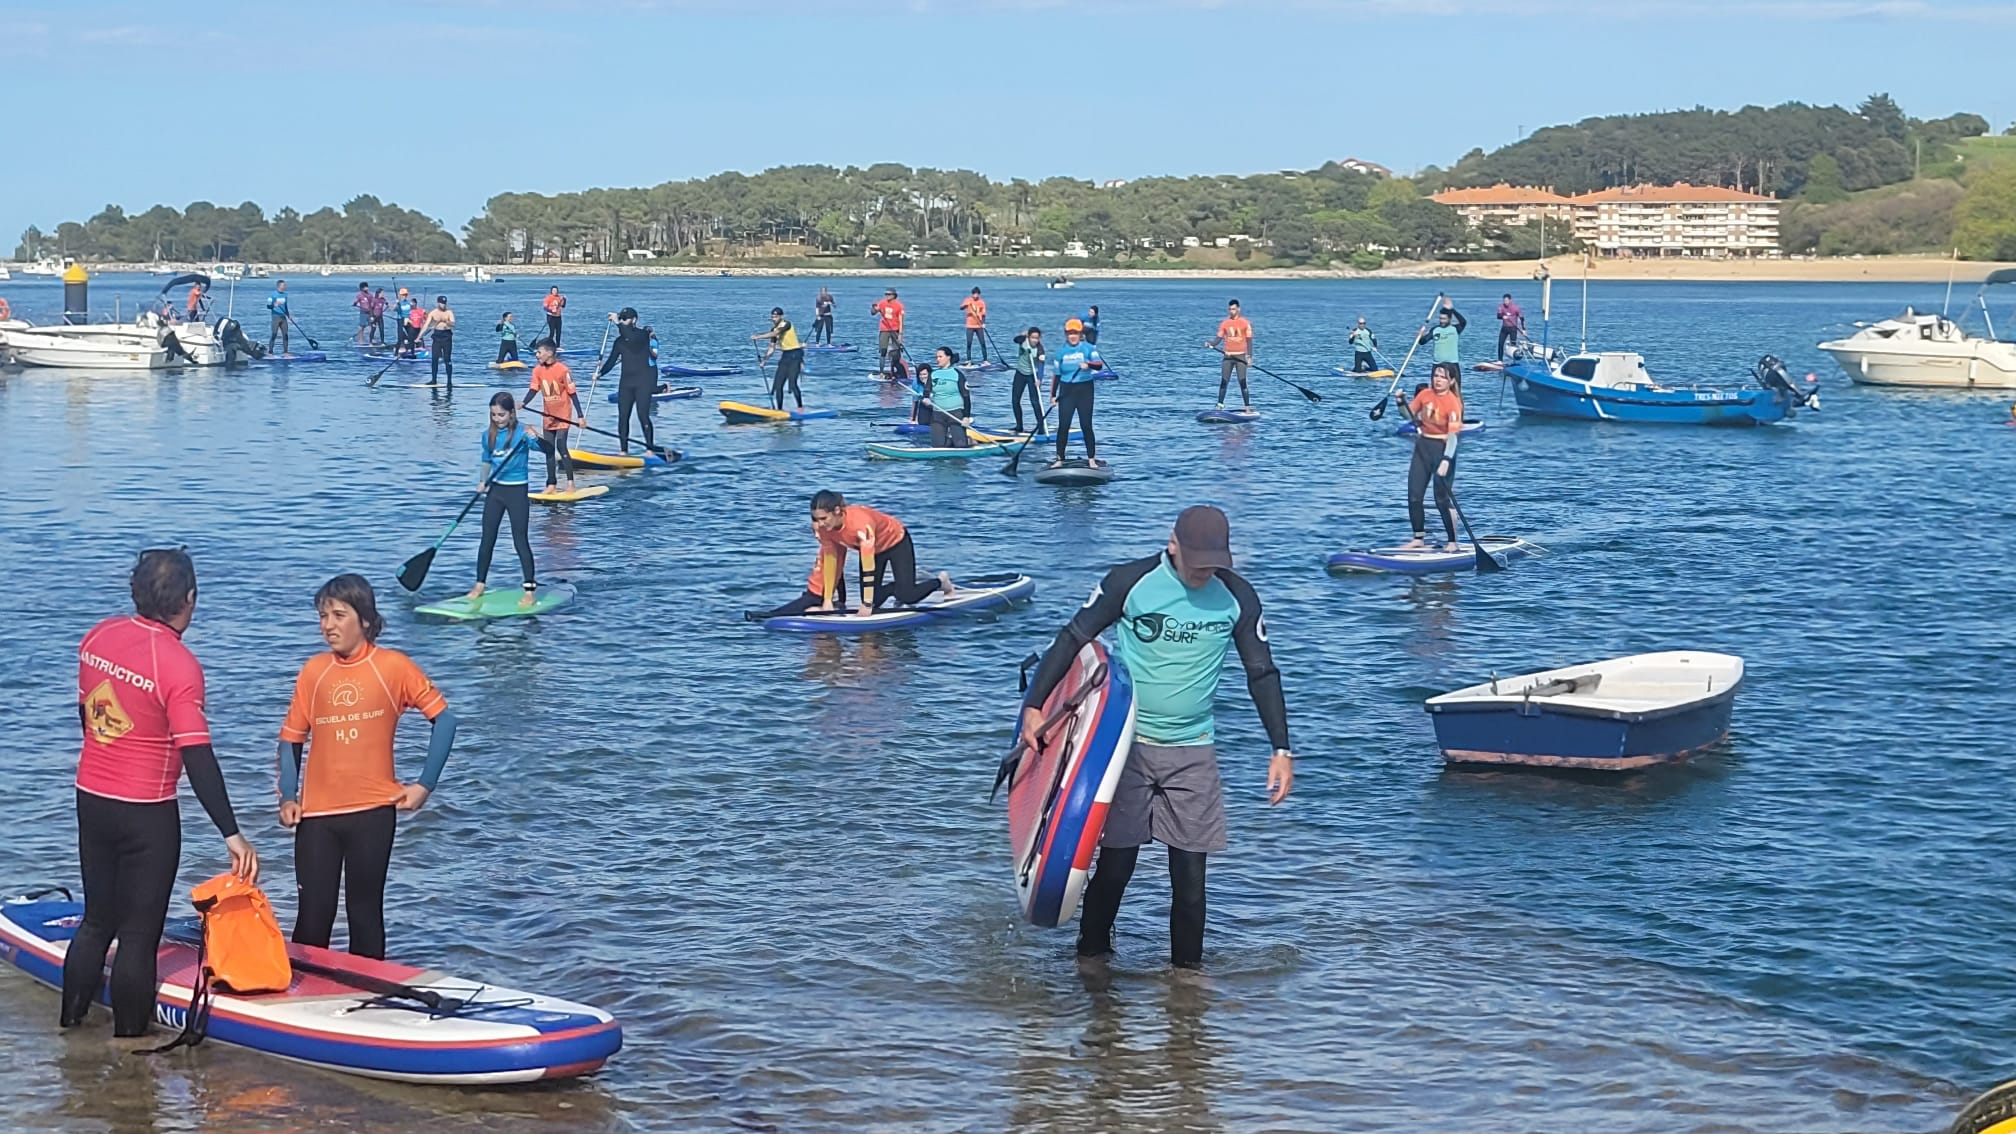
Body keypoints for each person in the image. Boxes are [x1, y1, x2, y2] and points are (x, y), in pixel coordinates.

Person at [1019, 505, 1293, 972]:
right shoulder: (1130, 582)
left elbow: (1262, 673)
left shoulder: (1238, 598)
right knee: (1115, 868)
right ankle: (1091, 963)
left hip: (1194, 750)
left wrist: (1281, 748)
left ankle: (1186, 985)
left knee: (1190, 882)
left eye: (1215, 563)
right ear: (1173, 545)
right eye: (1198, 561)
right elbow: (1072, 639)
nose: (1207, 571)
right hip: (1128, 747)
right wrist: (1034, 706)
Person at [64, 548, 259, 1036]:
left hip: (91, 796)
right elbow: (196, 756)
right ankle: (129, 1050)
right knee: (137, 936)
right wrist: (231, 834)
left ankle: (70, 1028)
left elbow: (87, 716)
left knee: (95, 922)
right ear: (189, 599)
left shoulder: (97, 637)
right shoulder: (178, 665)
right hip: (146, 812)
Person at [278, 575, 457, 960]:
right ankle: (299, 1003)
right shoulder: (314, 671)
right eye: (323, 616)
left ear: (365, 620)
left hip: (373, 813)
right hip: (317, 817)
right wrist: (289, 796)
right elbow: (291, 738)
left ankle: (369, 1000)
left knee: (365, 914)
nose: (328, 625)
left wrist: (424, 785)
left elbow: (445, 721)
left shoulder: (392, 666)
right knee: (312, 918)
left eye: (338, 615)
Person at [746, 491, 952, 620]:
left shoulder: (860, 525)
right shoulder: (823, 529)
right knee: (872, 598)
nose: (819, 524)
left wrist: (867, 606)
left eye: (823, 518)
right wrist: (828, 600)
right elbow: (832, 560)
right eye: (815, 519)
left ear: (837, 511)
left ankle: (940, 582)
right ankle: (892, 589)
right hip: (872, 550)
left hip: (896, 541)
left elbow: (868, 563)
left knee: (907, 596)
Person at [468, 393, 538, 606]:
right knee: (487, 538)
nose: (497, 419)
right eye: (493, 415)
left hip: (516, 491)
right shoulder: (487, 435)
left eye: (501, 415)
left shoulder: (522, 433)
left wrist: (536, 436)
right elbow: (486, 460)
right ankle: (480, 584)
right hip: (495, 491)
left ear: (511, 413)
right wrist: (483, 482)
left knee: (520, 540)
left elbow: (547, 450)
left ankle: (529, 589)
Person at [1403, 363, 1466, 551]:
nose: (1438, 380)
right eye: (1436, 376)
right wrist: (1400, 402)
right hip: (1423, 447)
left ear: (1451, 381)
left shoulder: (1453, 402)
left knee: (1441, 500)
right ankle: (1418, 538)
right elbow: (1407, 415)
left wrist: (1446, 460)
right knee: (1414, 496)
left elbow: (1453, 437)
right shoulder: (1425, 395)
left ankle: (1452, 542)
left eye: (1443, 377)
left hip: (1443, 449)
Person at [597, 307, 662, 455]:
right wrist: (600, 374)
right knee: (623, 417)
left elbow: (630, 336)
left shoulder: (642, 335)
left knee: (642, 415)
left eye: (626, 319)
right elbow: (612, 360)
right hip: (626, 383)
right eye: (622, 319)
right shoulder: (620, 341)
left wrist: (617, 322)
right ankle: (623, 451)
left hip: (643, 382)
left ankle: (649, 449)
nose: (624, 322)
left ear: (634, 320)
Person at [524, 339, 582, 494]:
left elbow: (572, 393)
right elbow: (533, 389)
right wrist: (523, 403)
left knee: (561, 446)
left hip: (563, 415)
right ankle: (551, 484)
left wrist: (580, 416)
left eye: (539, 352)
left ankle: (570, 484)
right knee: (548, 450)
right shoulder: (537, 370)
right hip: (548, 415)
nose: (537, 355)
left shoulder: (563, 370)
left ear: (549, 353)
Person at [1049, 318, 1105, 467]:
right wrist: (1053, 396)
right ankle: (1060, 459)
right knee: (1063, 426)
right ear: (1066, 334)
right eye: (1069, 333)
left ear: (1080, 334)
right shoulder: (1061, 352)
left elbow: (1099, 365)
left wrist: (1088, 364)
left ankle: (1091, 459)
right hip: (1067, 390)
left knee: (1086, 425)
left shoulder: (1088, 348)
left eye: (1075, 333)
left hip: (1085, 390)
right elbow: (1056, 375)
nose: (1072, 336)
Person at [752, 307, 806, 413]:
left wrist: (758, 337)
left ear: (781, 316)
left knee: (792, 383)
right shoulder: (773, 329)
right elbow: (772, 348)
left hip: (795, 354)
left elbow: (776, 334)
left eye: (776, 317)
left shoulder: (786, 324)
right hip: (785, 355)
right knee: (778, 384)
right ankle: (779, 410)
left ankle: (800, 407)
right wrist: (764, 360)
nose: (774, 319)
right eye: (772, 317)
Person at [1207, 299, 1254, 410]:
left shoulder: (1245, 323)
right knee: (1224, 381)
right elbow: (1218, 339)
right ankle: (1220, 405)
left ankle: (1247, 406)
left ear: (1238, 309)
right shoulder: (1225, 323)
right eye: (1229, 309)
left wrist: (1249, 357)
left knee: (1242, 381)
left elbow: (1249, 341)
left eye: (1233, 309)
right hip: (1228, 357)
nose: (1231, 311)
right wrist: (1211, 343)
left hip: (1240, 357)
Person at [1010, 326, 1047, 435]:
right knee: (1015, 400)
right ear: (1029, 337)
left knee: (1035, 402)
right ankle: (1019, 426)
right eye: (1033, 337)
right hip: (1020, 373)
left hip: (1032, 375)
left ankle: (1041, 428)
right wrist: (1022, 335)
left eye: (1037, 338)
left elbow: (1041, 366)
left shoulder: (1040, 350)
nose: (1035, 340)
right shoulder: (1023, 342)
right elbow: (1015, 340)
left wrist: (1039, 379)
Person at [1417, 303, 1467, 376]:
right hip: (1437, 365)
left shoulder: (1455, 329)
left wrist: (1452, 309)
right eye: (1440, 318)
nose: (1441, 321)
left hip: (1452, 365)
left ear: (1449, 319)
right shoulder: (1435, 329)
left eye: (1444, 319)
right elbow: (1422, 342)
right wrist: (1420, 336)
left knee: (1455, 387)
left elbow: (1463, 322)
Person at [420, 295, 456, 387]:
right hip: (437, 337)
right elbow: (426, 326)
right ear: (438, 303)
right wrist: (419, 337)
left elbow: (453, 324)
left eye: (444, 303)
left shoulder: (449, 312)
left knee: (447, 359)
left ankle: (449, 381)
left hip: (447, 337)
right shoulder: (433, 313)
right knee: (434, 358)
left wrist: (446, 321)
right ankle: (434, 380)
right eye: (442, 303)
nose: (443, 305)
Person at [871, 288, 905, 371]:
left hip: (895, 330)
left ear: (894, 296)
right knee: (883, 351)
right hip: (884, 329)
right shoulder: (882, 303)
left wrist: (900, 335)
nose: (887, 296)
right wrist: (873, 309)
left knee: (896, 352)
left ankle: (897, 370)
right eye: (886, 294)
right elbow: (873, 313)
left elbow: (901, 321)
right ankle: (881, 372)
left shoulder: (899, 306)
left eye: (889, 294)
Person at [1494, 293, 1524, 361]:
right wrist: (1502, 316)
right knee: (1500, 344)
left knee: (1513, 345)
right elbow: (1498, 316)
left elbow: (1522, 318)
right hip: (1504, 328)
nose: (1505, 302)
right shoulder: (1501, 306)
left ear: (1510, 300)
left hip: (1513, 328)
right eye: (1504, 301)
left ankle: (1514, 361)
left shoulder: (1516, 307)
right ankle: (1500, 360)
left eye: (1507, 301)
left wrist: (1523, 329)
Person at [961, 288, 989, 360]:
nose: (975, 295)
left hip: (979, 325)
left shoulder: (981, 302)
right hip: (970, 325)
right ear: (972, 294)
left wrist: (983, 323)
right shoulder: (968, 300)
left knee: (982, 343)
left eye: (977, 294)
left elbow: (983, 314)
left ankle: (985, 360)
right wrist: (966, 305)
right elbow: (961, 308)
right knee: (969, 343)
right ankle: (969, 360)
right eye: (974, 294)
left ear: (979, 294)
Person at [265, 280, 291, 355]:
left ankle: (285, 352)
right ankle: (270, 352)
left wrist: (288, 315)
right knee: (274, 334)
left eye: (285, 286)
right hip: (275, 317)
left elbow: (285, 306)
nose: (284, 287)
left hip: (283, 317)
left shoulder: (285, 295)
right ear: (279, 286)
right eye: (283, 286)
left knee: (285, 334)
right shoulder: (272, 295)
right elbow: (268, 306)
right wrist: (274, 305)